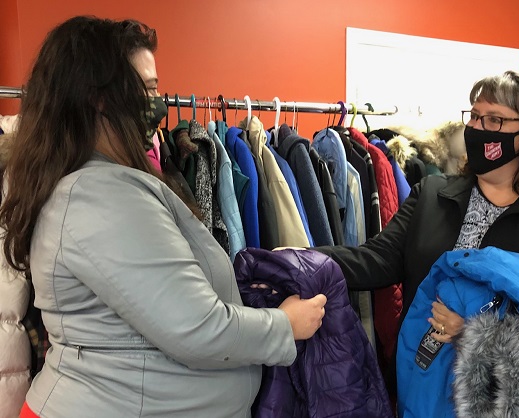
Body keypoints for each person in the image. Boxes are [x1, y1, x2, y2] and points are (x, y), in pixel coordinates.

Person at [0, 15, 326, 418]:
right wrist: (285, 324)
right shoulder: (101, 195)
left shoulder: (89, 183)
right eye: (149, 89)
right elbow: (197, 327)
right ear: (100, 98)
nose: (159, 103)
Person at [315, 70, 519, 418]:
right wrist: (301, 260)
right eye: (474, 116)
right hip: (431, 395)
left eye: (494, 119)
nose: (478, 128)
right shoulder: (432, 194)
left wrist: (478, 329)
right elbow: (377, 259)